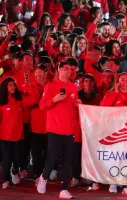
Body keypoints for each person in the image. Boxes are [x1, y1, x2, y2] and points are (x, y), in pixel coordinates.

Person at [37, 58, 79, 199]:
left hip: (69, 130)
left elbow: (74, 107)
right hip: (54, 129)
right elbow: (42, 106)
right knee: (53, 158)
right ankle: (44, 177)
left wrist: (77, 104)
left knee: (67, 161)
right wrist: (54, 100)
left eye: (70, 69)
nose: (68, 71)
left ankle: (64, 189)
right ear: (58, 70)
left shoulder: (73, 87)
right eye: (65, 68)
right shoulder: (50, 86)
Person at [100, 72, 127, 195]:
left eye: (126, 80)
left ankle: (125, 184)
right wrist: (115, 92)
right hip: (114, 131)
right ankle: (113, 182)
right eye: (122, 80)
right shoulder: (110, 93)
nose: (124, 82)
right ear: (117, 82)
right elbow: (103, 107)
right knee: (115, 157)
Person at [0, 77, 24, 189]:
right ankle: (5, 179)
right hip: (5, 136)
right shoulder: (2, 102)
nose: (13, 87)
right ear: (5, 87)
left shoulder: (19, 100)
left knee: (18, 159)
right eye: (10, 85)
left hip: (18, 136)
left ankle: (14, 172)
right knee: (6, 159)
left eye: (14, 85)